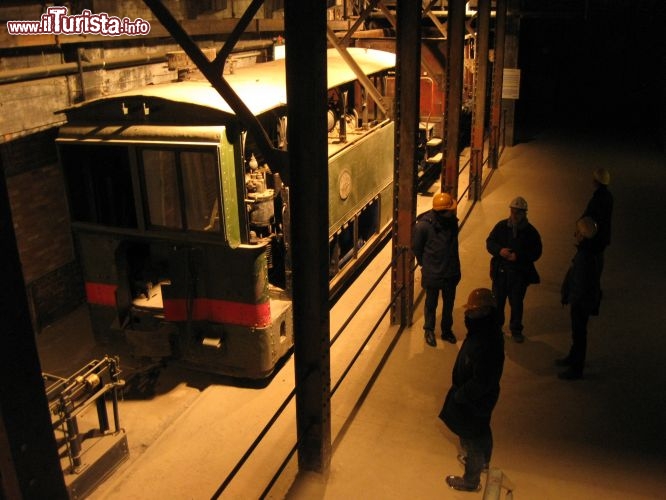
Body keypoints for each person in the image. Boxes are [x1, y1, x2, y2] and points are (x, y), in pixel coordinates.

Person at [439, 288, 505, 492]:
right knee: (481, 428)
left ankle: (470, 480)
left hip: (474, 397)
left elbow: (482, 380)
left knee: (473, 433)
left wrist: (462, 394)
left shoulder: (486, 341)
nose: (468, 315)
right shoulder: (487, 332)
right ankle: (483, 462)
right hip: (479, 396)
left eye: (473, 312)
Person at [486, 196, 542, 343]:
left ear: (524, 214)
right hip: (501, 274)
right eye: (513, 212)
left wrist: (518, 257)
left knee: (516, 303)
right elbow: (490, 242)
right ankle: (497, 328)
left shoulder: (531, 232)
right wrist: (499, 251)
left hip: (518, 275)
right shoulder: (502, 227)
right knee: (498, 302)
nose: (514, 215)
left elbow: (536, 252)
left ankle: (516, 329)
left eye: (518, 213)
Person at [412, 192, 461, 347]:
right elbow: (416, 248)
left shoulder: (452, 222)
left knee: (449, 305)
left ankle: (446, 331)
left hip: (450, 272)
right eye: (450, 210)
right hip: (433, 273)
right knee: (431, 304)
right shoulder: (423, 227)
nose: (453, 212)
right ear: (442, 212)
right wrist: (425, 264)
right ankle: (429, 330)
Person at [558, 216, 602, 380]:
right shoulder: (589, 253)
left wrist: (571, 298)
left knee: (579, 333)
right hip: (583, 300)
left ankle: (576, 367)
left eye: (577, 232)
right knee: (578, 333)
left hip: (580, 302)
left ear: (583, 235)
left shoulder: (584, 257)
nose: (574, 234)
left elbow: (579, 282)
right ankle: (573, 357)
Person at [582, 167, 613, 274]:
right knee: (598, 260)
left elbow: (590, 216)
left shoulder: (598, 198)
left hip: (595, 236)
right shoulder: (608, 196)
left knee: (591, 263)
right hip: (603, 236)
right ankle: (594, 285)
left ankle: (591, 286)